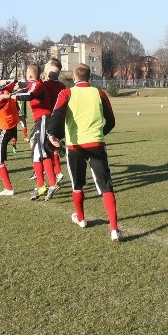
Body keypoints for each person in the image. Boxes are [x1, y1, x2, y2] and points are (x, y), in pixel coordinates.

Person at [47, 64, 122, 241]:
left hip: (75, 146)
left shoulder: (67, 93)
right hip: (96, 143)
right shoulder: (99, 93)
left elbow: (56, 114)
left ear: (74, 78)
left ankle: (81, 219)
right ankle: (114, 229)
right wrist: (99, 134)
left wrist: (52, 134)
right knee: (106, 185)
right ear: (89, 78)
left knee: (77, 185)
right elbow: (111, 120)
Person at [12, 64, 60, 201]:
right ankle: (45, 184)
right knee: (36, 148)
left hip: (44, 118)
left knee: (39, 153)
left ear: (30, 74)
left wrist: (11, 96)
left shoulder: (37, 85)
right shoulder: (33, 84)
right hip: (41, 120)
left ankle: (46, 184)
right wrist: (14, 88)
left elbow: (29, 94)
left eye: (27, 72)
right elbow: (25, 89)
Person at [42, 58, 67, 184]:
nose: (45, 65)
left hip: (49, 119)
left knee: (43, 146)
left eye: (47, 64)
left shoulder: (45, 85)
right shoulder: (62, 86)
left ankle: (55, 174)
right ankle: (57, 172)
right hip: (61, 120)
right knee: (52, 146)